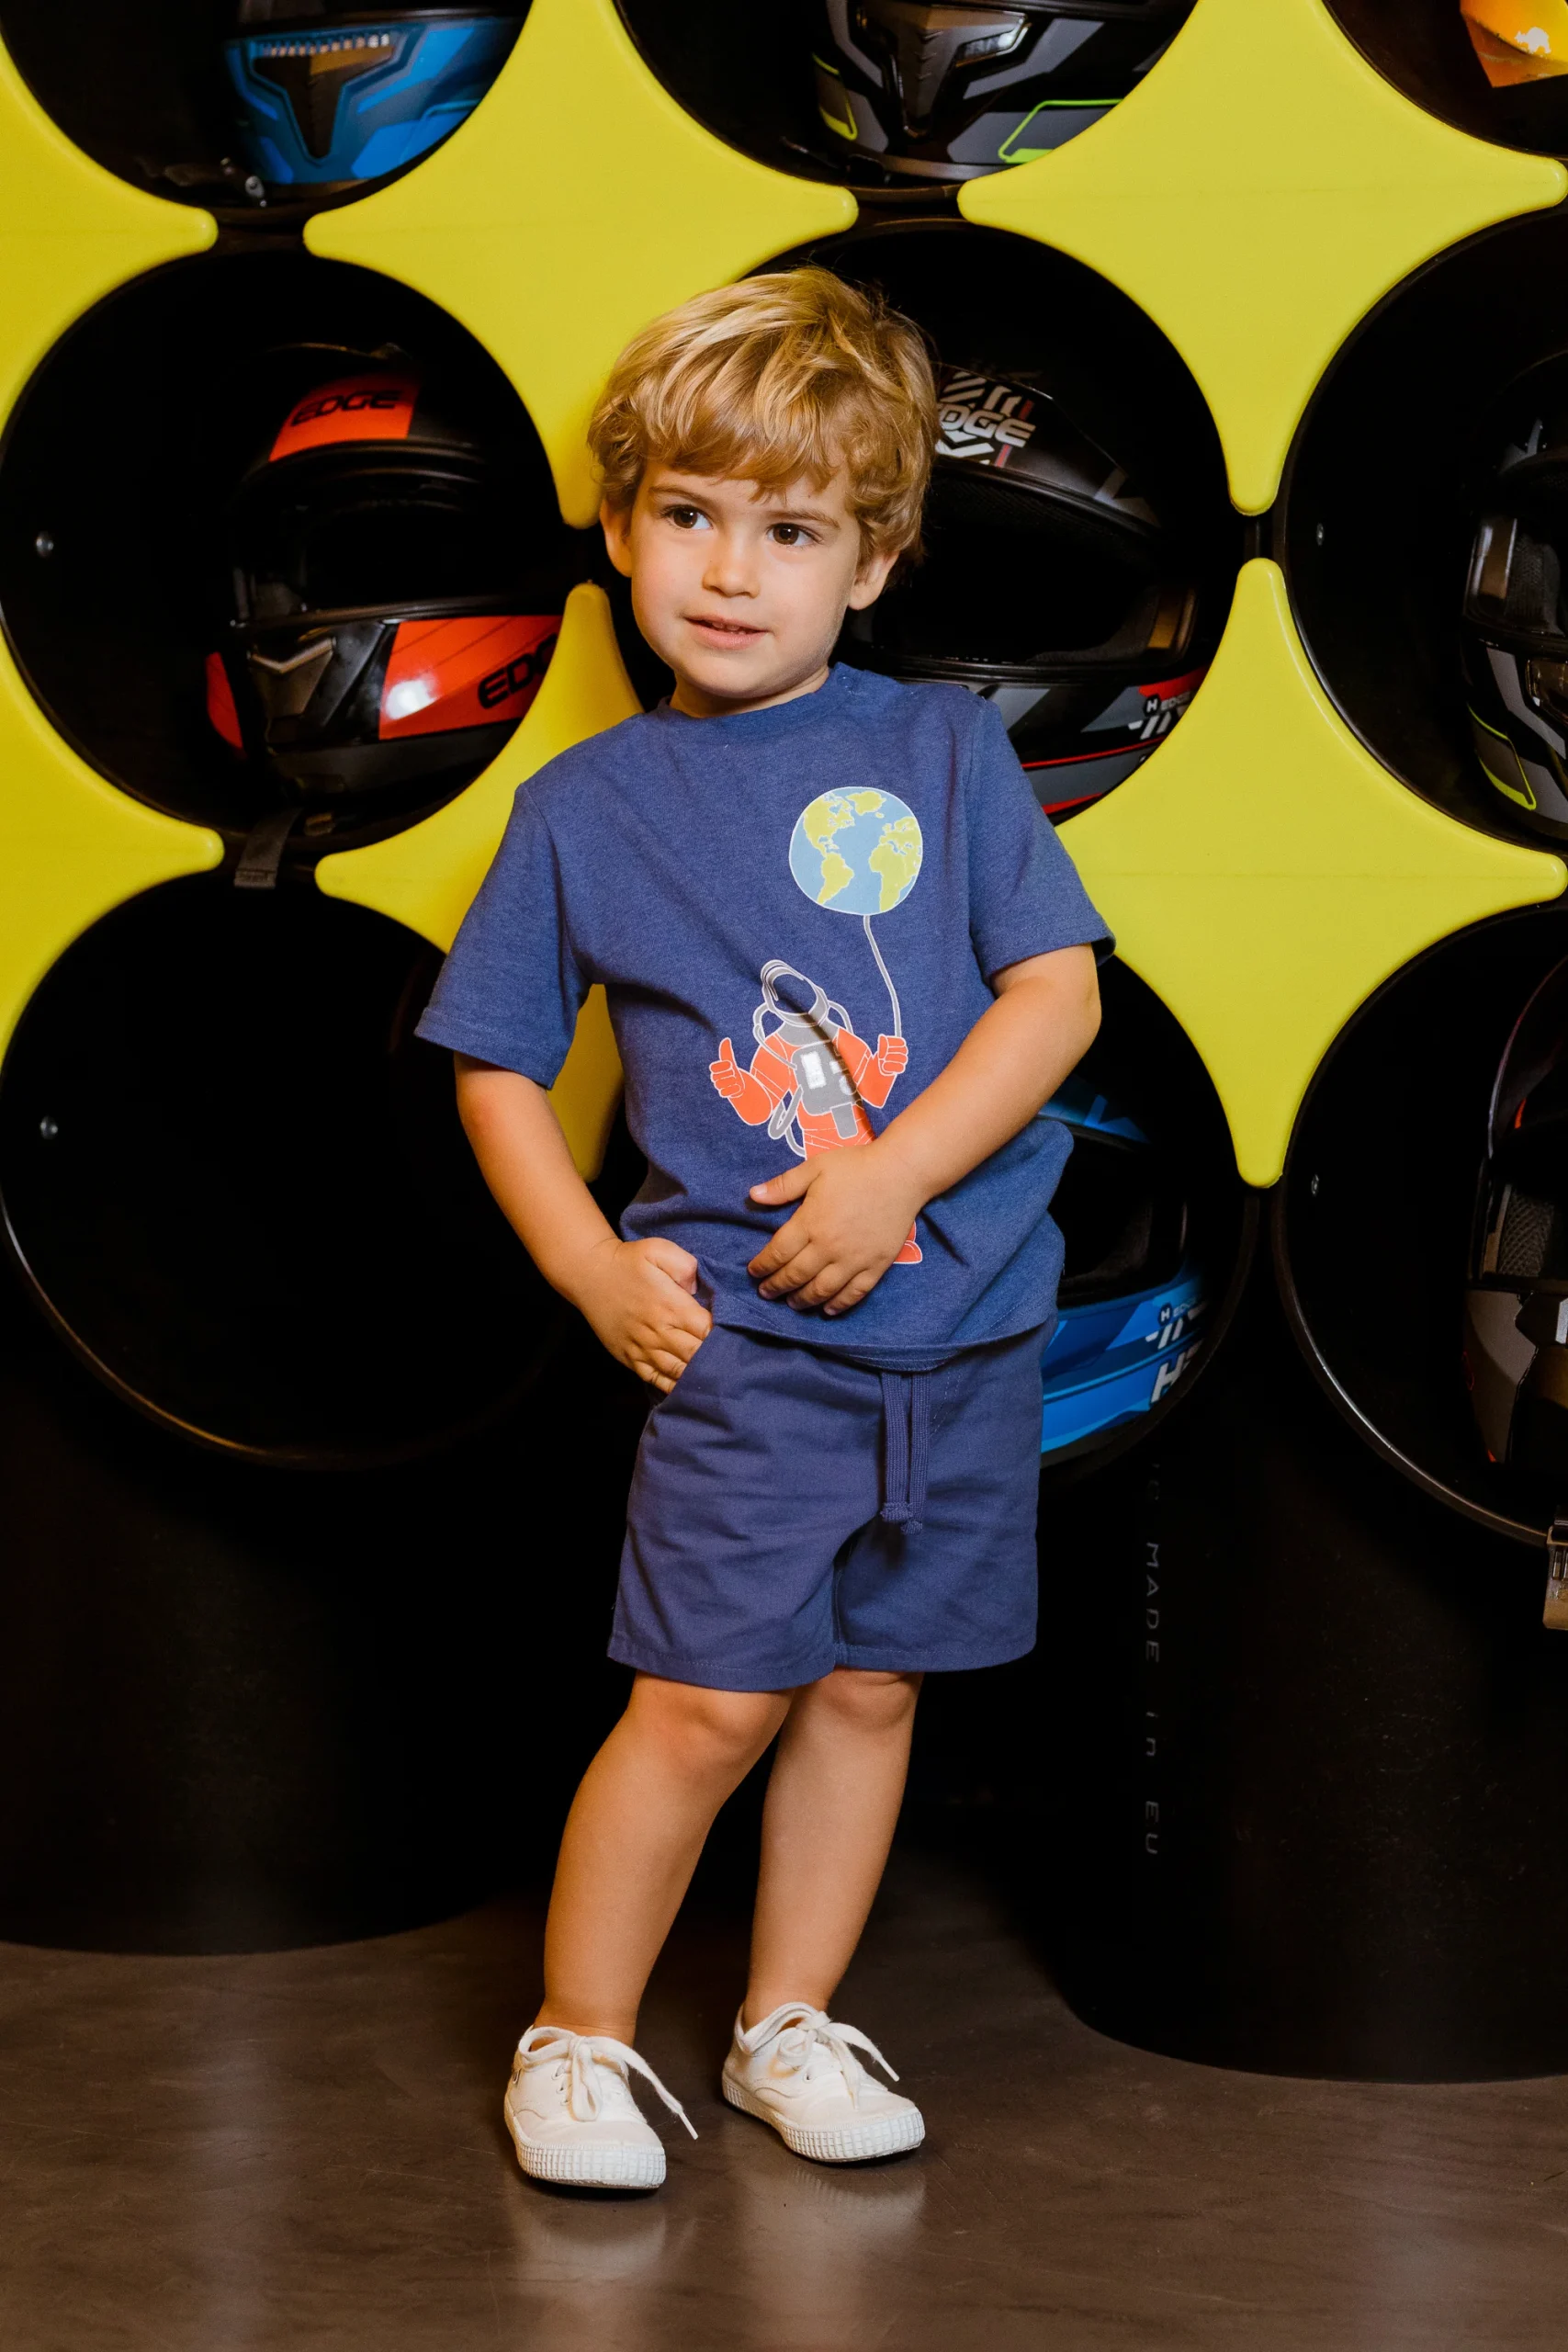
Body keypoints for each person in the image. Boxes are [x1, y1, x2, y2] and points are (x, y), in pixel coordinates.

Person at [416, 267, 1110, 2192]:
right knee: (709, 1700)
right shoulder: (580, 807)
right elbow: (491, 1063)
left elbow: (1056, 994)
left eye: (791, 531)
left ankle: (781, 2020)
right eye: (691, 515)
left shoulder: (945, 752)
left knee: (870, 1687)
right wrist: (585, 1263)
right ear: (621, 528)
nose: (732, 570)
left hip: (964, 1334)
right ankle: (574, 2037)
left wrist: (894, 1176)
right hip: (753, 1353)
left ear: (871, 564)